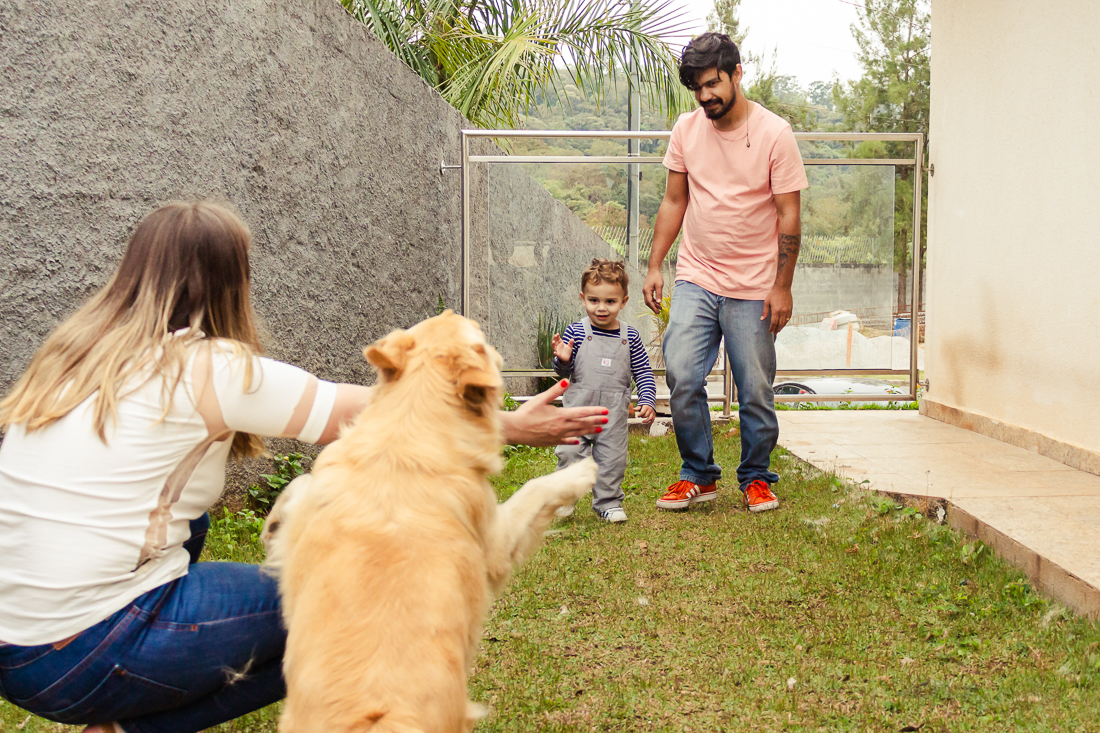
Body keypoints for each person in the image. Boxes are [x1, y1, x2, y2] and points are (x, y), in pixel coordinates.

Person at [0, 202, 608, 733]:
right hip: (88, 648)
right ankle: (132, 725)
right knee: (344, 614)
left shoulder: (71, 356)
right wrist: (497, 420)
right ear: (226, 283)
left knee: (192, 518)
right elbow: (374, 411)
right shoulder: (212, 367)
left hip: (16, 651)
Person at [643, 32, 807, 514]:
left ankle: (756, 476)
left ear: (737, 73)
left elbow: (789, 215)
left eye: (713, 83)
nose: (705, 96)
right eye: (697, 87)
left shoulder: (775, 133)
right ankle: (698, 473)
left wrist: (782, 286)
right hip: (697, 273)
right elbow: (675, 200)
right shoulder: (686, 129)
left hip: (755, 284)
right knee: (683, 373)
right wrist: (656, 265)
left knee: (755, 388)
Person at [551, 258, 657, 523]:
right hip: (578, 412)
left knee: (612, 461)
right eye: (593, 300)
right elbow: (563, 375)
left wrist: (647, 399)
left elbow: (643, 372)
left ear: (623, 301)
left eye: (610, 302)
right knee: (570, 455)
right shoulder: (576, 330)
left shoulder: (630, 337)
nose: (601, 308)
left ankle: (607, 503)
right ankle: (564, 499)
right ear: (582, 298)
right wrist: (563, 360)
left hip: (613, 418)